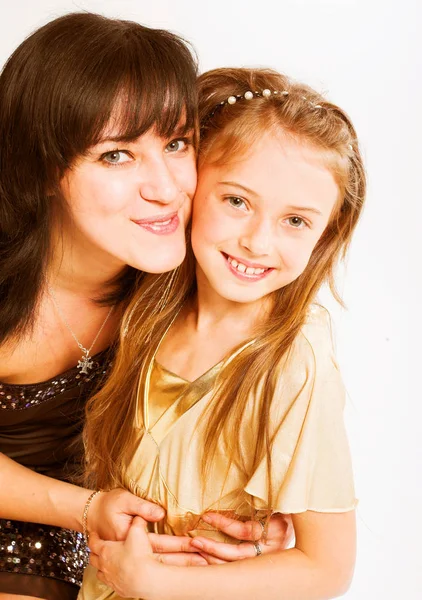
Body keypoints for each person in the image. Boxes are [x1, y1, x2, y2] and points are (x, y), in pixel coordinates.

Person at [0, 15, 289, 600]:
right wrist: (85, 509)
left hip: (122, 546)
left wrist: (257, 512)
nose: (165, 186)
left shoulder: (196, 275)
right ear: (44, 166)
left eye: (177, 144)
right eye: (115, 156)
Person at [82, 66, 366, 600]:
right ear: (190, 187)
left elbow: (327, 568)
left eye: (296, 221)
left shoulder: (293, 356)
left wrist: (154, 581)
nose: (258, 242)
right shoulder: (149, 304)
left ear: (326, 233)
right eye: (236, 201)